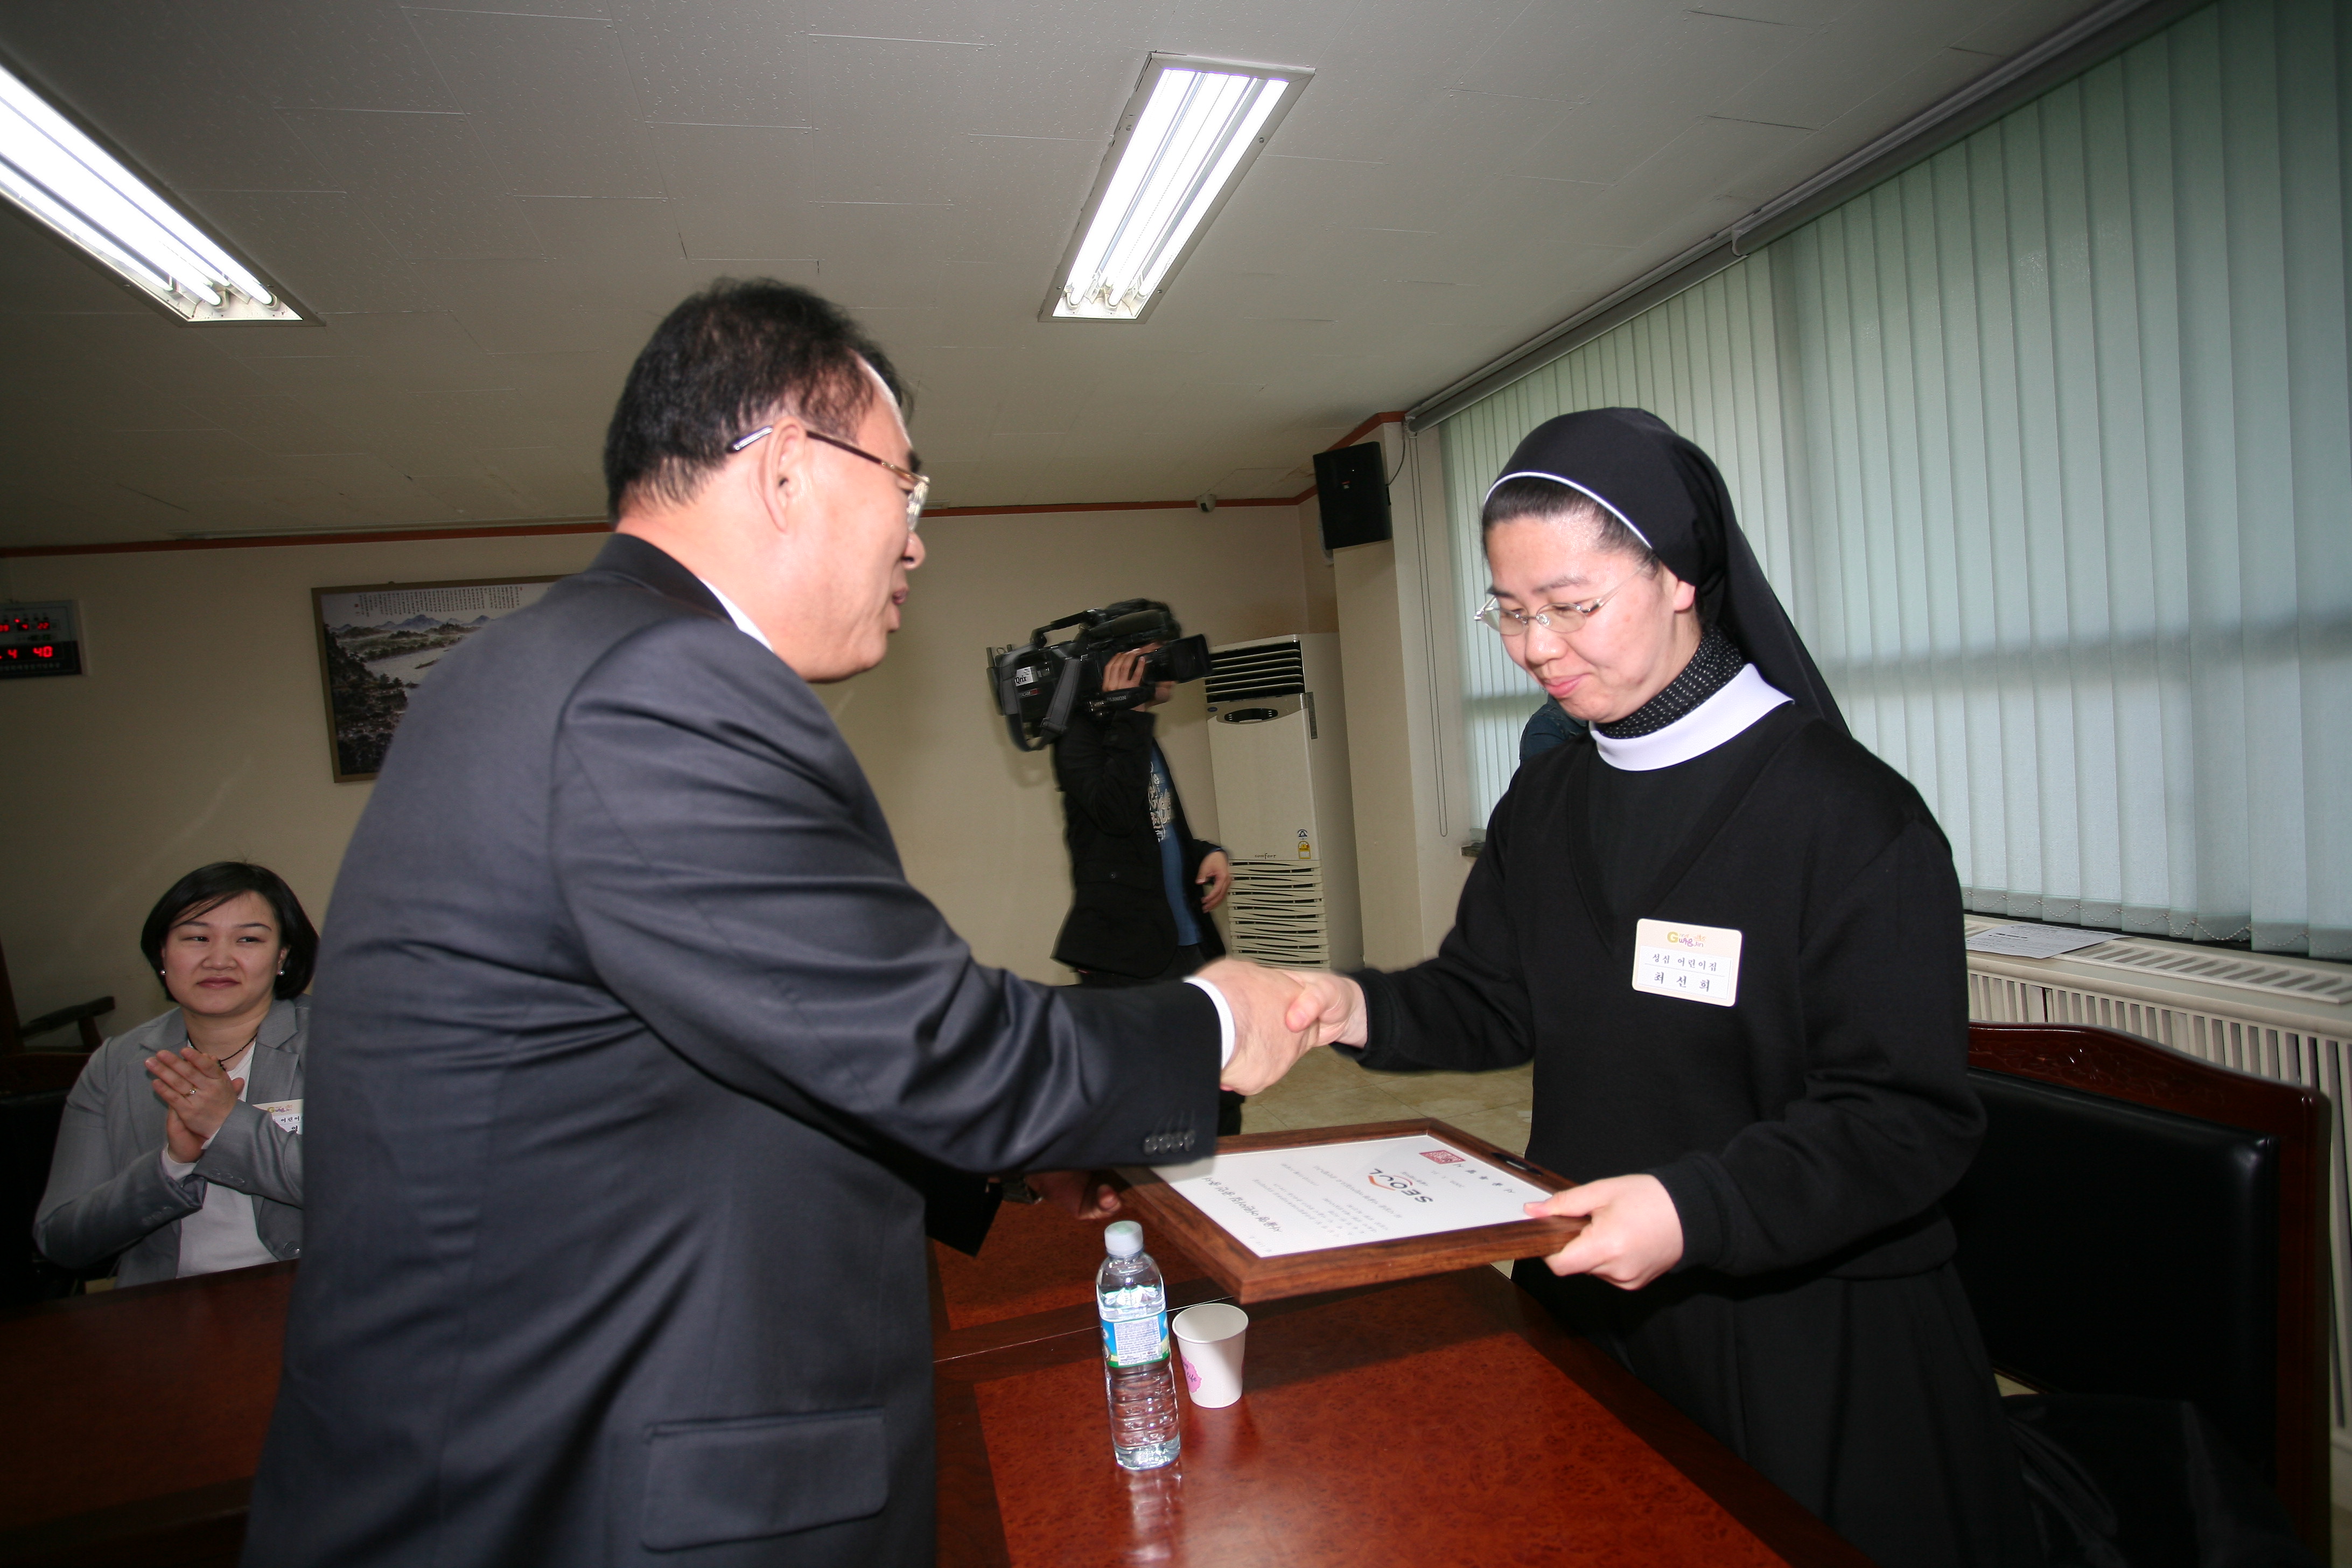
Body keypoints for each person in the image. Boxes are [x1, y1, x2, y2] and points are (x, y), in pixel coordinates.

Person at [241, 280, 1319, 1568]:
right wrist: (1210, 1021)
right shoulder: (660, 687)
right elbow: (930, 1043)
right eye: (909, 492)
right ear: (795, 470)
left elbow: (739, 1060)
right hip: (581, 1496)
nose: (918, 542)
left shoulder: (551, 659)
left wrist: (1011, 1159)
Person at [1283, 409, 2039, 1567]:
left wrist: (1696, 1208)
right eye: (1511, 610)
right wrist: (1353, 1005)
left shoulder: (1848, 816)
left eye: (1572, 606)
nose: (1537, 646)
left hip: (1806, 1331)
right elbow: (1496, 997)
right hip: (1594, 1288)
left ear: (1682, 576)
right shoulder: (1544, 803)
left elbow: (1906, 1119)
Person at [34, 862, 314, 1286]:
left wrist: (227, 1126)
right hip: (165, 1307)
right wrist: (172, 1166)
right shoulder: (118, 1063)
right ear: (163, 953)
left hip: (316, 1298)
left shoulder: (346, 1044)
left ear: (282, 956)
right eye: (197, 938)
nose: (219, 959)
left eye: (248, 939)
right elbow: (61, 1240)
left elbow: (384, 1196)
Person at [1050, 639, 1244, 1133]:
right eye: (1155, 659)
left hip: (1184, 943)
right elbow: (1113, 814)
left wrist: (1205, 851)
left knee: (1221, 1089)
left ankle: (1217, 1198)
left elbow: (1155, 828)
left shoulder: (1137, 734)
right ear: (1119, 667)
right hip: (1130, 955)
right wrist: (1128, 713)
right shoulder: (1079, 734)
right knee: (1157, 1102)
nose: (1168, 672)